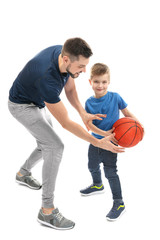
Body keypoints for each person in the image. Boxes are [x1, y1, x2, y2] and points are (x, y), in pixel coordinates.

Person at [8, 38, 125, 230]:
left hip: (36, 101)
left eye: (85, 65)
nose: (84, 71)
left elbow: (69, 87)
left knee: (45, 142)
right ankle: (47, 211)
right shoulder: (47, 78)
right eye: (81, 66)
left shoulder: (62, 55)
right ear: (66, 59)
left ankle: (23, 173)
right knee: (54, 145)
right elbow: (66, 123)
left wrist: (83, 113)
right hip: (21, 106)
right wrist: (96, 142)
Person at [80, 63, 144, 221]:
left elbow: (127, 113)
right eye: (96, 82)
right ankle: (97, 185)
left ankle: (119, 202)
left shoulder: (115, 97)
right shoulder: (88, 103)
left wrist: (139, 125)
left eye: (103, 82)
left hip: (112, 143)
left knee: (110, 172)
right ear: (90, 82)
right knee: (91, 165)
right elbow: (89, 125)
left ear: (108, 82)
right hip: (95, 140)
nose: (100, 85)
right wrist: (103, 134)